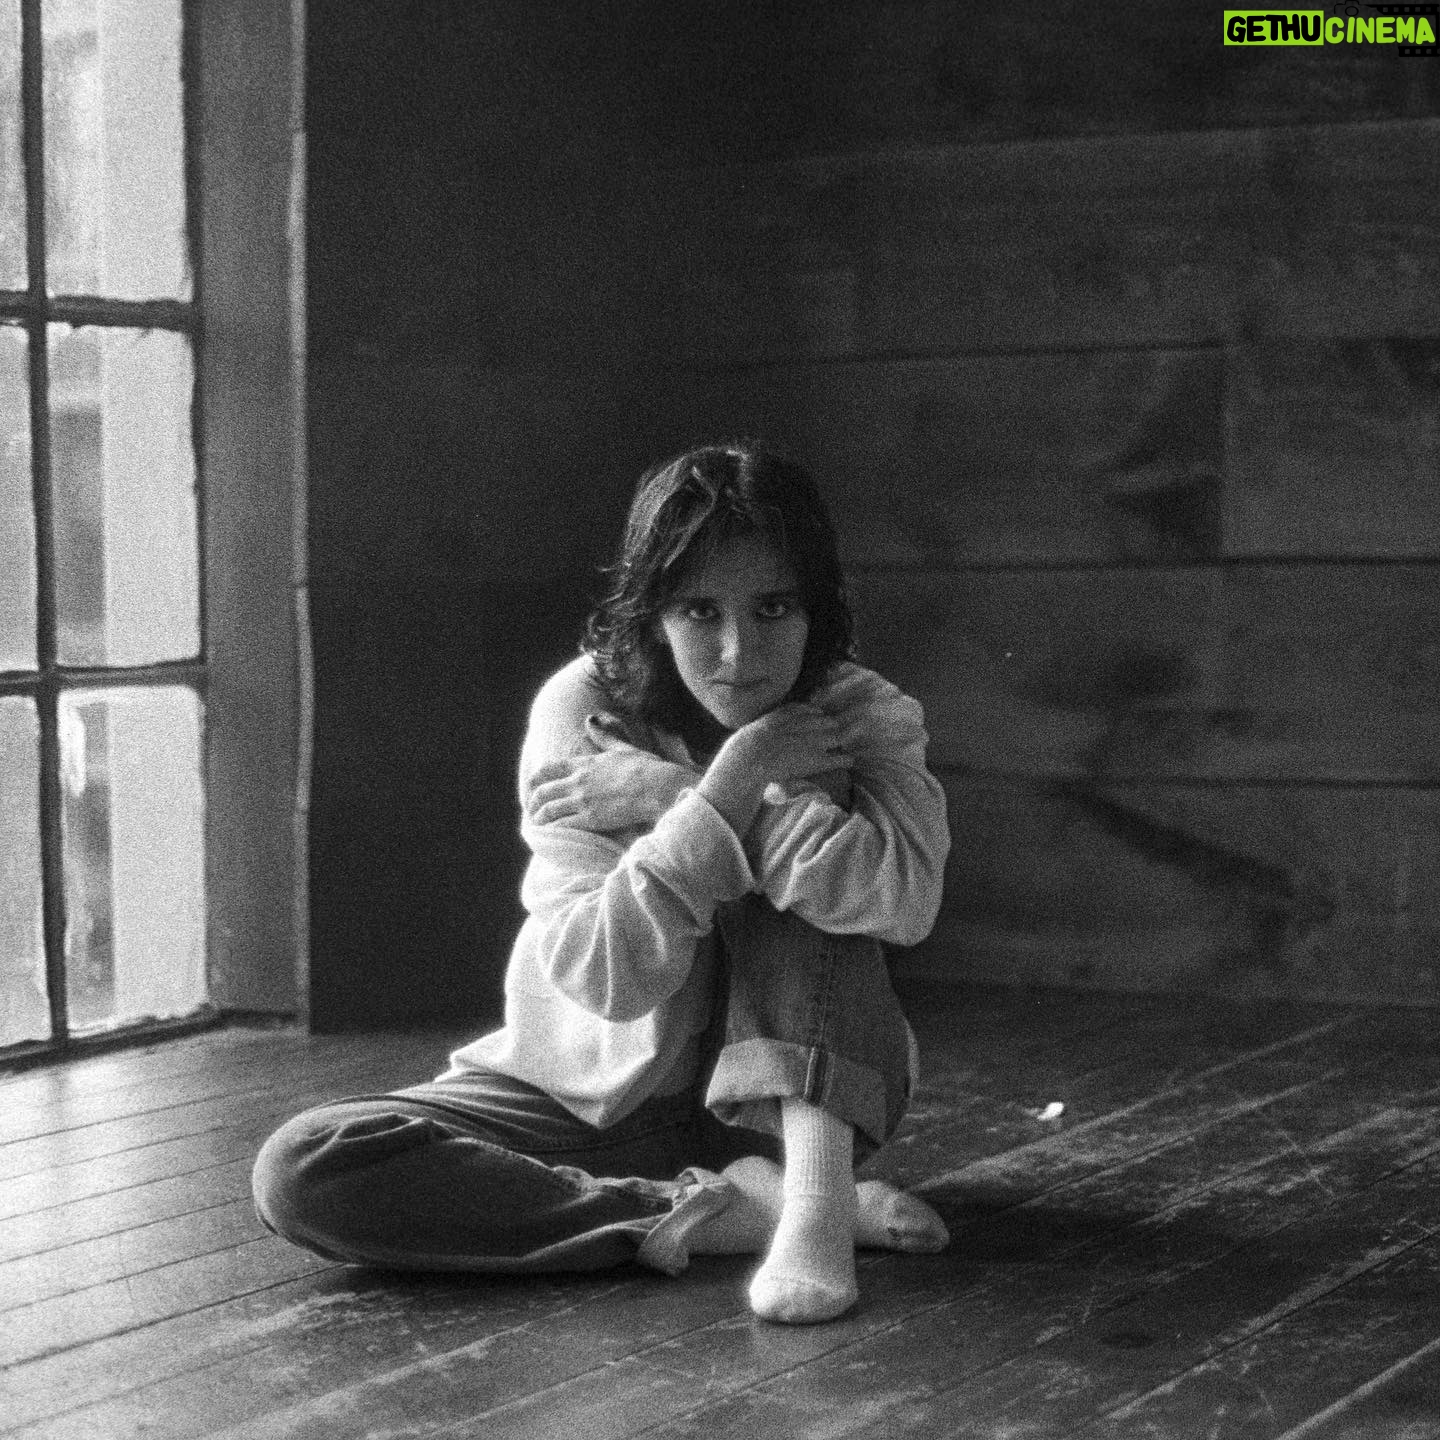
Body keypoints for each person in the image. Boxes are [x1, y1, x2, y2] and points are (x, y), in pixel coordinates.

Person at [253, 443, 952, 1324]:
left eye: (774, 607)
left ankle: (814, 1203)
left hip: (785, 1104)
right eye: (700, 611)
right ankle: (731, 1215)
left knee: (819, 826)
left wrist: (685, 794)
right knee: (306, 1167)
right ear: (654, 614)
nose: (739, 652)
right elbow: (604, 980)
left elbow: (901, 899)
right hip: (586, 1095)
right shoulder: (582, 710)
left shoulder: (860, 710)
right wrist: (719, 799)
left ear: (816, 607)